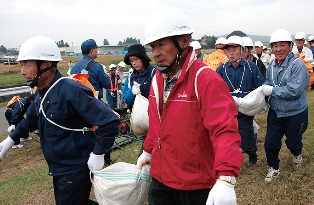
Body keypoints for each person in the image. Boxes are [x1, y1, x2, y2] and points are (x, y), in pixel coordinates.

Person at [136, 7, 243, 205]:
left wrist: (227, 178)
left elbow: (225, 130)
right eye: (152, 47)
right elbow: (156, 124)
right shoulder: (157, 80)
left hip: (195, 184)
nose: (156, 53)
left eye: (161, 44)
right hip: (161, 179)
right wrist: (148, 151)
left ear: (184, 41)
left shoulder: (205, 80)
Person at [0, 36, 120, 204]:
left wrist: (98, 153)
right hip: (59, 167)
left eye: (27, 64)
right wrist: (10, 139)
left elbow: (109, 121)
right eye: (22, 65)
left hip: (76, 167)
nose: (22, 71)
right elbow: (32, 119)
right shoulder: (42, 92)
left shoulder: (71, 90)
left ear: (46, 64)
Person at [261, 29, 309, 182]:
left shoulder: (297, 66)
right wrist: (263, 99)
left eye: (282, 45)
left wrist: (272, 91)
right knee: (270, 142)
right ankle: (273, 168)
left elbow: (294, 90)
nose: (278, 49)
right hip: (276, 111)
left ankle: (297, 155)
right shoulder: (272, 66)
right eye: (275, 46)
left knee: (293, 141)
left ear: (290, 46)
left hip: (295, 112)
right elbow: (268, 83)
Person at [216, 35, 265, 165]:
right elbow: (215, 88)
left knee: (246, 134)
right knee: (227, 135)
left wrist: (258, 101)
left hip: (245, 108)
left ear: (242, 49)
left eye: (234, 49)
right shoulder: (222, 69)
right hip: (228, 108)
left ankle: (252, 151)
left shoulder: (251, 67)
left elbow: (261, 86)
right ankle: (230, 159)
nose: (231, 53)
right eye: (228, 50)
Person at [122, 43, 156, 156]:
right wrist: (132, 93)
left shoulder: (154, 73)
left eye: (135, 59)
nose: (134, 63)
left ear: (143, 58)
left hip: (154, 119)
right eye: (131, 61)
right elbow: (126, 99)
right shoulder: (131, 77)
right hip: (140, 121)